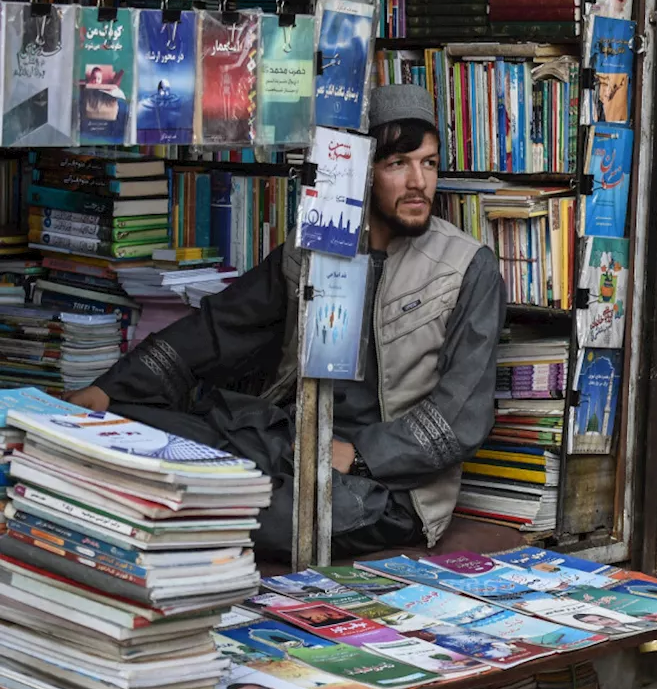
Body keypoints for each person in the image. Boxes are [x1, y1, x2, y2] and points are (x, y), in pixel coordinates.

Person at [65, 84, 508, 562]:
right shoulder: (314, 244)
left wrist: (358, 455)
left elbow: (460, 416)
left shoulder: (468, 267)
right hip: (289, 445)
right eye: (397, 164)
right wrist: (111, 390)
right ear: (362, 171)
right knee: (127, 436)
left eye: (429, 163)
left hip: (385, 491)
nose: (419, 181)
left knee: (251, 507)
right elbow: (222, 326)